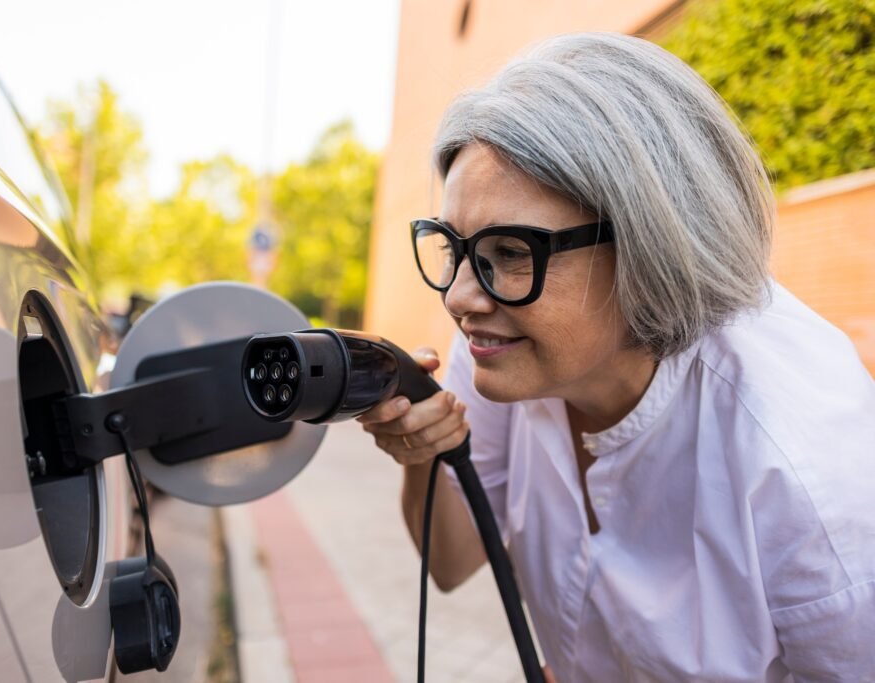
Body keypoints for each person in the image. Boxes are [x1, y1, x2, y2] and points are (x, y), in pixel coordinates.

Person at [358, 32, 875, 682]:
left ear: (653, 243)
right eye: (453, 250)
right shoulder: (507, 351)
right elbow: (451, 560)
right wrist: (425, 452)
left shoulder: (806, 464)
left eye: (510, 254)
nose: (461, 298)